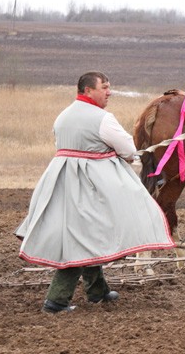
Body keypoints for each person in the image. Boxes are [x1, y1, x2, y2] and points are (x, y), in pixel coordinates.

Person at [15, 71, 175, 314]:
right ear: (88, 90)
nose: (109, 92)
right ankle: (56, 301)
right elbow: (129, 150)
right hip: (89, 189)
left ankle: (97, 291)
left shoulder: (63, 116)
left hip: (60, 184)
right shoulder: (103, 119)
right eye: (105, 87)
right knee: (81, 240)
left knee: (86, 236)